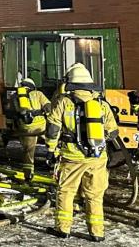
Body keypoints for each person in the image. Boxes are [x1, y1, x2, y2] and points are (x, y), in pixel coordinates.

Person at [44, 65, 122, 242]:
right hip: (97, 157)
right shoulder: (101, 104)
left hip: (72, 157)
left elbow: (53, 129)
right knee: (94, 195)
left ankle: (63, 229)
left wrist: (50, 150)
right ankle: (97, 232)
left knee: (66, 191)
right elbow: (113, 132)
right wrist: (96, 141)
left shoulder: (63, 102)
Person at [16, 77, 51, 182]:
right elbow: (48, 107)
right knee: (52, 144)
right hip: (41, 127)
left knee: (28, 151)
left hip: (26, 129)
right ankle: (53, 164)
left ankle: (28, 175)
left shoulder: (16, 96)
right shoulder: (38, 94)